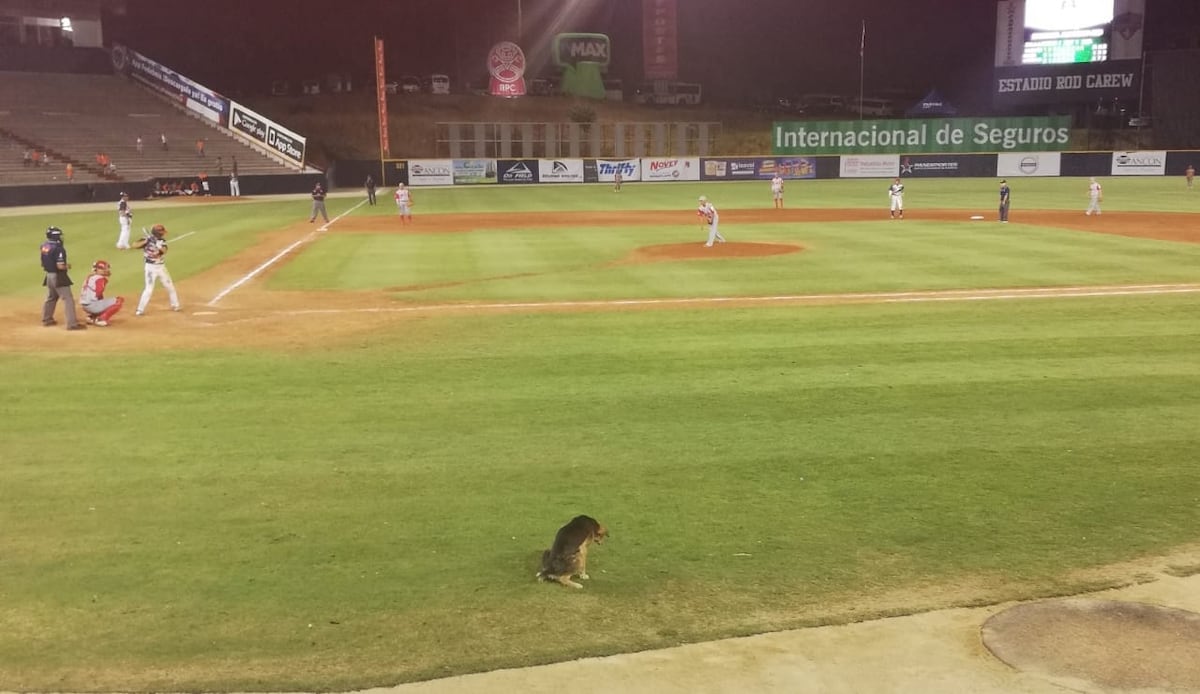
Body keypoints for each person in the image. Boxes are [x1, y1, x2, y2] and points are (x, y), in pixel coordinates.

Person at [39, 226, 85, 330]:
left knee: (51, 298)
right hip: (58, 276)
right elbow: (60, 266)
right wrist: (67, 266)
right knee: (68, 299)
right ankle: (72, 324)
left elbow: (43, 262)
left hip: (48, 275)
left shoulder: (44, 246)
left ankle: (47, 319)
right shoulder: (58, 248)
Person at [132, 224, 180, 315]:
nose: (163, 234)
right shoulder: (146, 239)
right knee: (149, 289)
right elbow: (134, 245)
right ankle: (140, 310)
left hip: (161, 268)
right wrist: (146, 241)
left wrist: (158, 245)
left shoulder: (162, 241)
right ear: (158, 233)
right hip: (150, 268)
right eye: (162, 232)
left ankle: (175, 305)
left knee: (170, 287)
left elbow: (163, 251)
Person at [80, 260, 125, 326]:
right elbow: (98, 294)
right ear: (99, 270)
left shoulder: (90, 277)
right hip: (92, 306)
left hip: (84, 305)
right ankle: (101, 319)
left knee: (101, 301)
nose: (107, 270)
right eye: (104, 269)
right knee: (118, 300)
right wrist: (102, 305)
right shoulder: (100, 279)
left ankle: (92, 317)